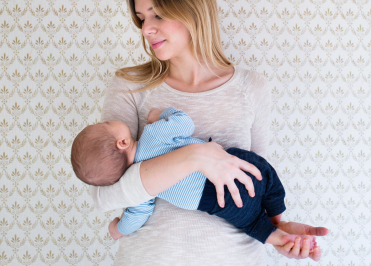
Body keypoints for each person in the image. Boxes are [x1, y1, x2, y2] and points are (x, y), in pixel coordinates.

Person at [89, 0, 328, 265]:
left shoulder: (251, 88)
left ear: (192, 10)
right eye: (141, 18)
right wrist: (195, 157)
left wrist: (277, 231)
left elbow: (255, 182)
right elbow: (105, 195)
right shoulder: (130, 86)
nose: (147, 29)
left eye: (158, 14)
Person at [72, 106, 316, 252]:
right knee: (264, 173)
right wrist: (161, 114)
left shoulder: (137, 187)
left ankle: (277, 234)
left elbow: (136, 217)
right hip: (228, 162)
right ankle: (277, 216)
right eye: (104, 123)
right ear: (123, 142)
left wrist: (117, 229)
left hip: (212, 201)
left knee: (250, 221)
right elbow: (184, 122)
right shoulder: (152, 134)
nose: (106, 119)